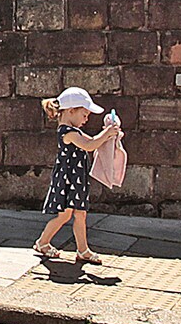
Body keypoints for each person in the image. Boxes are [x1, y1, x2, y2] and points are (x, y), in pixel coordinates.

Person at [33, 86, 122, 263]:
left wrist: (109, 135)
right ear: (71, 110)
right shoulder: (67, 132)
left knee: (80, 214)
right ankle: (43, 242)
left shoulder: (75, 131)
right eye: (84, 115)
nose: (86, 119)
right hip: (69, 179)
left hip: (77, 178)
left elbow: (93, 141)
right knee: (65, 215)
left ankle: (83, 250)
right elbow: (89, 145)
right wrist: (106, 133)